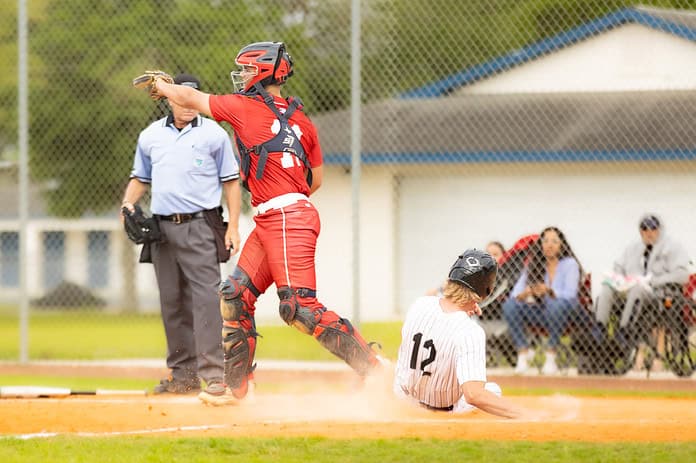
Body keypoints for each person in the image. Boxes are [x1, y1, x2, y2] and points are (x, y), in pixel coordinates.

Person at [144, 42, 385, 405]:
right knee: (235, 296)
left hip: (285, 216)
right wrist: (286, 195)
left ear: (261, 73)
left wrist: (162, 87)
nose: (240, 78)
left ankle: (374, 369)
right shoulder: (302, 120)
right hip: (280, 214)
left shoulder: (245, 107)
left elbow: (191, 99)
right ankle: (236, 389)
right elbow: (314, 180)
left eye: (245, 71)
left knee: (299, 308)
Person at [122, 73, 241, 394]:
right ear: (170, 98)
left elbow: (231, 181)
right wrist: (126, 205)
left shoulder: (215, 135)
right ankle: (183, 376)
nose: (187, 103)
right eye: (181, 96)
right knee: (172, 302)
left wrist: (233, 225)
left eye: (193, 97)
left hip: (200, 225)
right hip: (161, 230)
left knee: (204, 300)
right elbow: (140, 178)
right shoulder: (150, 137)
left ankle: (214, 375)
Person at [393, 249, 528, 418]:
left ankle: (379, 368)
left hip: (403, 402)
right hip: (441, 412)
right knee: (493, 390)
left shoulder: (420, 304)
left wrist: (463, 308)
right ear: (485, 289)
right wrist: (527, 414)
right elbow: (474, 395)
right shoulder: (470, 331)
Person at [594, 214, 690, 355]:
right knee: (607, 287)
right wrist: (619, 278)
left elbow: (682, 275)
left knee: (637, 289)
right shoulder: (632, 248)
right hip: (629, 288)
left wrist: (656, 280)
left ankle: (624, 332)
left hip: (657, 292)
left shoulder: (672, 247)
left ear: (660, 229)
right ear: (640, 231)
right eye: (644, 229)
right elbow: (618, 267)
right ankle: (598, 331)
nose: (649, 232)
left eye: (653, 228)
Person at [502, 227, 581, 375]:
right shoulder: (534, 264)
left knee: (556, 305)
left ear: (562, 245)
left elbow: (571, 295)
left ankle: (550, 356)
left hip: (564, 314)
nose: (549, 245)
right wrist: (527, 292)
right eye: (545, 241)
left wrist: (550, 291)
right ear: (540, 245)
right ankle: (523, 355)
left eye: (554, 241)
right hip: (540, 312)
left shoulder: (570, 264)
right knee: (509, 306)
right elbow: (515, 294)